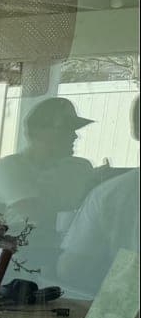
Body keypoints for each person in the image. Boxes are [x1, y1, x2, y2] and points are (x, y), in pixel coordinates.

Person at [0, 96, 98, 256]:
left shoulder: (80, 167)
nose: (75, 136)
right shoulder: (11, 166)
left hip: (69, 251)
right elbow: (33, 215)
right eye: (66, 129)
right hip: (17, 255)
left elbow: (98, 213)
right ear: (37, 133)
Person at [58, 97, 139, 298]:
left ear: (136, 131)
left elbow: (72, 269)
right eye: (66, 129)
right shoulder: (110, 192)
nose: (74, 135)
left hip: (125, 303)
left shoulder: (111, 194)